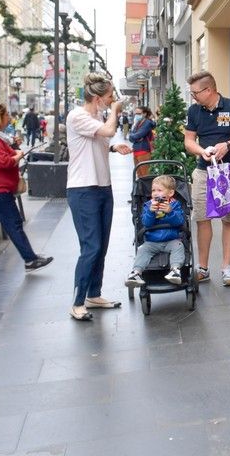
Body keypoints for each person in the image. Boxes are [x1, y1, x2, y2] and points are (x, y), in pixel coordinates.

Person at [66, 73, 132, 321]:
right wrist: (115, 111)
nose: (112, 101)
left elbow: (100, 141)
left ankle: (94, 293)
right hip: (83, 189)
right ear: (96, 98)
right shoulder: (78, 116)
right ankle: (77, 301)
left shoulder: (94, 116)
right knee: (91, 247)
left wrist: (114, 147)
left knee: (101, 245)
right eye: (108, 97)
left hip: (103, 187)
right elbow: (107, 130)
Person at [183, 70, 230, 286]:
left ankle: (226, 268)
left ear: (209, 90)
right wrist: (201, 150)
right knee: (202, 219)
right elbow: (188, 141)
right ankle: (203, 268)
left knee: (229, 220)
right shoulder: (194, 111)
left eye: (196, 93)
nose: (193, 97)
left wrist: (229, 145)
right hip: (204, 172)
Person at [0, 103, 53, 280]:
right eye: (6, 116)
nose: (9, 119)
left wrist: (12, 145)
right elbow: (4, 162)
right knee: (13, 222)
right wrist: (18, 155)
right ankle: (30, 259)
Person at [125, 175, 186, 287]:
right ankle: (136, 273)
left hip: (171, 239)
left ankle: (175, 270)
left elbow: (179, 222)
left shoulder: (175, 205)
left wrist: (170, 212)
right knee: (142, 249)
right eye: (153, 190)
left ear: (171, 193)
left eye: (159, 190)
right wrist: (150, 212)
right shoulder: (148, 205)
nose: (155, 193)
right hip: (152, 241)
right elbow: (146, 223)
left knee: (179, 246)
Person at [127, 106, 156, 178]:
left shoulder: (147, 123)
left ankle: (146, 189)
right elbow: (131, 136)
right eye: (135, 113)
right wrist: (134, 137)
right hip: (136, 150)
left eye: (139, 113)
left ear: (145, 114)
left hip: (143, 151)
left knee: (145, 175)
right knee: (139, 175)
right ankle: (141, 189)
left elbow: (138, 135)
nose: (136, 115)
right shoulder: (138, 123)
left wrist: (134, 137)